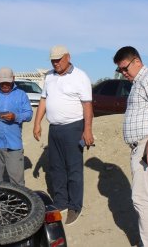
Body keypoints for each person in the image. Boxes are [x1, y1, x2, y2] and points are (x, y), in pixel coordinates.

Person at [113, 46, 148, 247]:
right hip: (141, 146)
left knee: (141, 199)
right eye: (120, 71)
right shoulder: (138, 83)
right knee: (145, 198)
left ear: (136, 61)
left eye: (125, 68)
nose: (124, 73)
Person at [33, 45, 94, 225]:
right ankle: (61, 202)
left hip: (73, 128)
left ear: (68, 57)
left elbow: (87, 105)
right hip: (55, 129)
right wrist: (37, 123)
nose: (55, 63)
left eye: (58, 59)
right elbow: (44, 99)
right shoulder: (49, 77)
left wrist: (87, 130)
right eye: (53, 60)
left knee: (73, 168)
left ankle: (75, 206)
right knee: (56, 167)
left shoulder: (80, 76)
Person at [0, 67, 33, 186]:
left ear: (13, 79)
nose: (5, 85)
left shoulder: (21, 95)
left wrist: (16, 117)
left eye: (7, 82)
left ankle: (18, 204)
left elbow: (29, 114)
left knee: (17, 181)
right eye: (2, 82)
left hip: (13, 145)